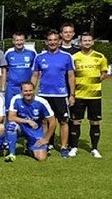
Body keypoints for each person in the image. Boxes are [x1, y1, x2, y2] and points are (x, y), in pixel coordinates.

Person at [31, 30, 75, 158]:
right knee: (44, 121)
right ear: (46, 42)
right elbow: (35, 76)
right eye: (50, 40)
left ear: (59, 41)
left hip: (61, 95)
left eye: (55, 40)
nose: (52, 42)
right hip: (44, 94)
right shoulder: (39, 57)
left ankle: (63, 147)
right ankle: (47, 144)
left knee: (63, 121)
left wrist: (72, 94)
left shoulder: (67, 57)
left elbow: (71, 76)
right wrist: (30, 91)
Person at [68, 33, 107, 158]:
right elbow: (71, 75)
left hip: (95, 96)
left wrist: (93, 82)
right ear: (80, 43)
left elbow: (104, 73)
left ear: (93, 42)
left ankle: (94, 148)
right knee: (75, 121)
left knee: (95, 122)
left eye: (89, 40)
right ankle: (74, 147)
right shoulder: (74, 57)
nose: (87, 42)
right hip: (79, 95)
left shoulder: (100, 57)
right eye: (84, 40)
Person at [5, 82, 56, 162]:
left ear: (34, 90)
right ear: (21, 91)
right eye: (25, 91)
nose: (28, 93)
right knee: (11, 126)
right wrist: (27, 121)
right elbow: (11, 117)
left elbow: (52, 122)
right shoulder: (16, 99)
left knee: (42, 158)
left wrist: (46, 139)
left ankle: (28, 147)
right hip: (21, 128)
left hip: (35, 130)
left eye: (30, 90)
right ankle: (11, 154)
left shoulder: (42, 102)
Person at [3, 32, 36, 109]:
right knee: (9, 108)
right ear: (13, 41)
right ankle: (9, 121)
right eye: (17, 40)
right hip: (12, 87)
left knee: (25, 108)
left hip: (26, 87)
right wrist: (3, 87)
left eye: (21, 40)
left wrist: (32, 86)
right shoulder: (9, 53)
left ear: (24, 41)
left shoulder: (31, 53)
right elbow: (4, 70)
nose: (19, 42)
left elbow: (35, 72)